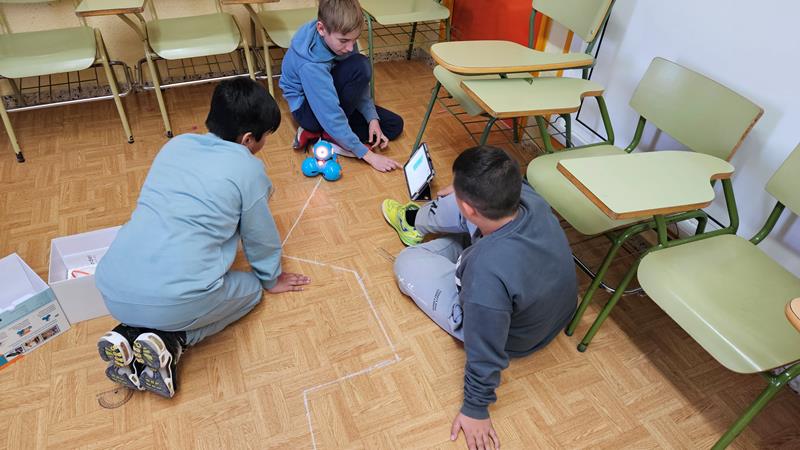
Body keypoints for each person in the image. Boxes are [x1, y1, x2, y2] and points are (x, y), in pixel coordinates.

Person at [94, 78, 310, 398]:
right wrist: (271, 277)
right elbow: (260, 237)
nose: (264, 143)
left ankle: (128, 333)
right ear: (248, 139)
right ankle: (174, 340)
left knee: (165, 295)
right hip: (176, 303)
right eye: (265, 137)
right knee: (252, 291)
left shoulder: (176, 144)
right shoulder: (248, 168)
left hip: (111, 289)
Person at [382, 146, 577, 449]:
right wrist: (459, 194)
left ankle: (437, 235)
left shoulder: (486, 275)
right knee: (453, 211)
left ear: (470, 208)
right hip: (554, 306)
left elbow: (485, 348)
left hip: (516, 334)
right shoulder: (528, 197)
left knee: (406, 262)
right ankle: (435, 225)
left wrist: (475, 408)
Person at [280, 0, 404, 173]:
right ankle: (320, 131)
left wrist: (372, 118)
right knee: (360, 66)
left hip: (330, 94)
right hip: (307, 110)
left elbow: (358, 84)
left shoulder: (343, 37)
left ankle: (328, 135)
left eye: (354, 40)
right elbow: (330, 113)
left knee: (393, 125)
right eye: (344, 41)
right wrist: (368, 155)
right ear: (321, 29)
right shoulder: (310, 64)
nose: (350, 47)